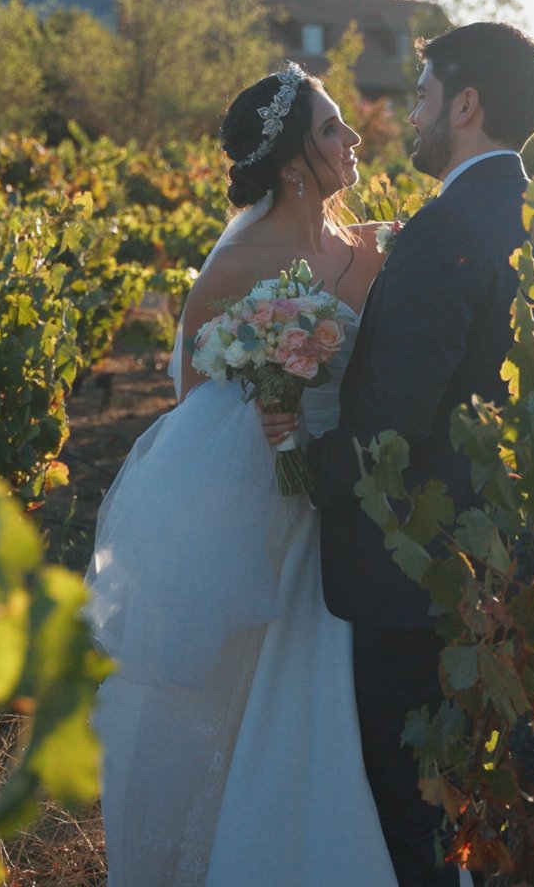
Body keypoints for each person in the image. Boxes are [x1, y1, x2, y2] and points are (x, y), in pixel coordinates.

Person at [83, 62, 399, 885]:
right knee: (258, 693)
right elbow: (194, 395)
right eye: (333, 128)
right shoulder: (237, 262)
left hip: (352, 496)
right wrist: (267, 410)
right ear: (293, 162)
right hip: (274, 504)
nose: (353, 136)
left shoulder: (371, 251)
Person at [263, 22, 534, 886]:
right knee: (464, 804)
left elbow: (392, 415)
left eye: (423, 95)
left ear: (465, 105)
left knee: (409, 811)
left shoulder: (442, 231)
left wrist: (309, 474)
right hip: (492, 557)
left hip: (412, 576)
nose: (412, 116)